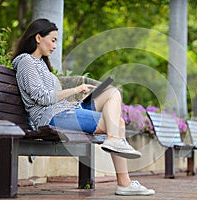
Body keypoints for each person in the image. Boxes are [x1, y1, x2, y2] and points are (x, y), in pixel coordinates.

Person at [11, 18, 155, 196]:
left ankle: (115, 149)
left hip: (65, 111)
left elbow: (53, 99)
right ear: (38, 38)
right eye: (53, 40)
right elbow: (43, 98)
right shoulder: (26, 62)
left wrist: (76, 100)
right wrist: (75, 89)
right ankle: (123, 181)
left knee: (112, 92)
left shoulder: (41, 65)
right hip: (50, 118)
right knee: (117, 124)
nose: (55, 46)